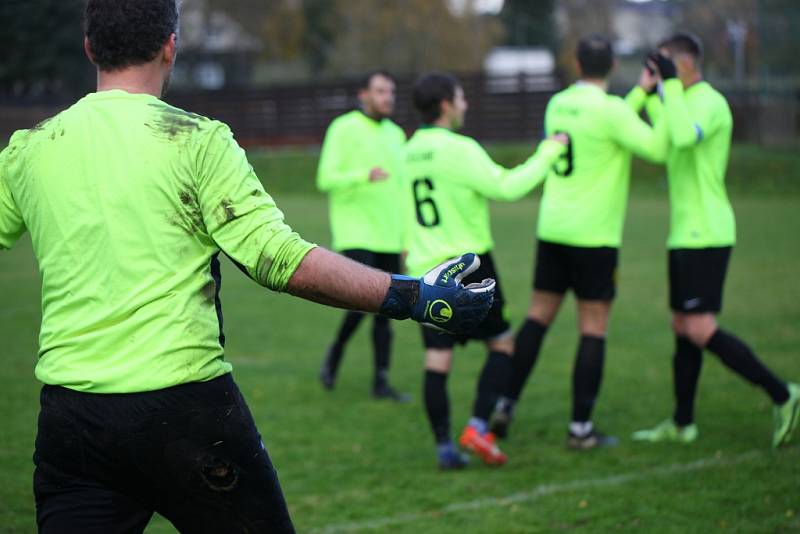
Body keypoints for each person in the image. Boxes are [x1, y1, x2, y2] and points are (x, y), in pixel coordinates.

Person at [0, 2, 495, 532]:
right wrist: (413, 295)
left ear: (90, 48)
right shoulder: (196, 139)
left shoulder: (29, 150)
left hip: (71, 420)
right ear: (171, 45)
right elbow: (276, 259)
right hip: (184, 408)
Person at [488, 34, 669, 449]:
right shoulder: (612, 112)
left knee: (537, 317)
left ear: (576, 63)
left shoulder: (558, 103)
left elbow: (607, 121)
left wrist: (638, 95)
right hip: (594, 235)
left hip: (553, 228)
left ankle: (505, 403)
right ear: (612, 67)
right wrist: (656, 95)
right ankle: (581, 429)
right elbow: (657, 148)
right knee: (593, 327)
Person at [631, 32, 799, 447]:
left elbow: (685, 136)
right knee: (681, 326)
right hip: (683, 234)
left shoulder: (710, 102)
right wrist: (645, 89)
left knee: (700, 327)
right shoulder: (672, 100)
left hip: (707, 231)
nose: (663, 70)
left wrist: (667, 88)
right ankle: (683, 422)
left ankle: (785, 394)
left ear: (686, 64)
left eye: (667, 63)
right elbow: (641, 132)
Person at [403, 72, 568, 469]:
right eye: (461, 98)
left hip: (426, 271)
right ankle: (477, 425)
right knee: (502, 345)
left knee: (437, 361)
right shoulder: (459, 148)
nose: (465, 105)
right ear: (445, 104)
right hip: (470, 265)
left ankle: (444, 447)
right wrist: (549, 151)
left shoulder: (407, 151)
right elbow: (507, 187)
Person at [316, 71, 410, 401]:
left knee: (390, 308)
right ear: (364, 95)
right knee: (361, 304)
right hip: (356, 232)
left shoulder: (398, 135)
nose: (388, 97)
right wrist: (362, 175)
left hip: (390, 234)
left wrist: (407, 239)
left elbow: (404, 190)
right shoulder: (343, 128)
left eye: (391, 91)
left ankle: (381, 382)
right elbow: (325, 178)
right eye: (381, 91)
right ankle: (335, 354)